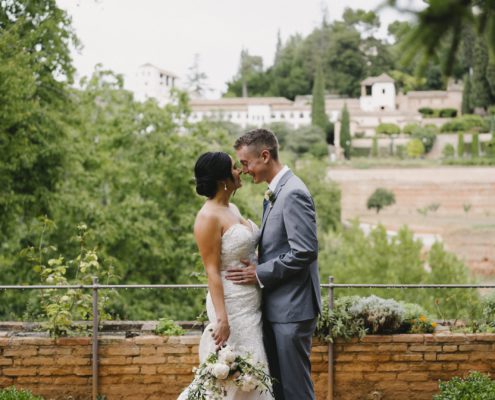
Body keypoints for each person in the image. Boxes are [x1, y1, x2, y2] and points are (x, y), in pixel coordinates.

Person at [226, 128, 322, 400]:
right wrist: (256, 260)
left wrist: (259, 272)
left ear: (264, 156)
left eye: (245, 163)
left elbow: (304, 251)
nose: (243, 171)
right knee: (279, 390)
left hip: (292, 309)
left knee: (295, 391)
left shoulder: (293, 193)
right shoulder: (275, 192)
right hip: (279, 307)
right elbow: (280, 247)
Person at [178, 151, 273, 400]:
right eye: (233, 167)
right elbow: (211, 271)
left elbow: (249, 247)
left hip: (250, 304)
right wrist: (222, 319)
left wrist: (259, 265)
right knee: (242, 371)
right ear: (222, 179)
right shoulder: (207, 217)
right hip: (230, 307)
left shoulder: (232, 207)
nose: (239, 170)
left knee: (249, 374)